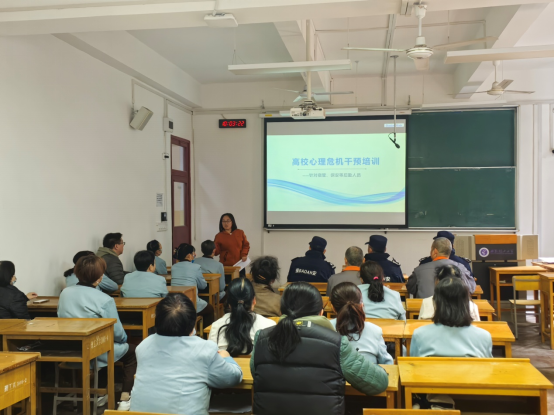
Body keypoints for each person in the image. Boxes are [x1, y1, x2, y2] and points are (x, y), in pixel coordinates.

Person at [250, 282, 389, 415]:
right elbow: (378, 383)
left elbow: (256, 373)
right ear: (321, 312)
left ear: (281, 310)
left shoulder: (261, 338)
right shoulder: (336, 343)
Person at [130, 293, 243, 415]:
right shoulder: (204, 350)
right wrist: (227, 358)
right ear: (193, 323)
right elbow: (232, 378)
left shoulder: (144, 346)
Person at [58, 255, 137, 411]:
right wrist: (123, 339)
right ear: (100, 277)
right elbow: (118, 333)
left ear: (77, 272)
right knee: (131, 352)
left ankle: (101, 394)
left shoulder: (65, 293)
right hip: (95, 352)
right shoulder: (104, 299)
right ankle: (124, 399)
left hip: (72, 350)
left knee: (107, 346)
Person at [410, 277, 493, 358]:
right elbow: (488, 365)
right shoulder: (484, 337)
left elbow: (413, 364)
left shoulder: (419, 335)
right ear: (466, 303)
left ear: (436, 303)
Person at [329, 282, 393, 365]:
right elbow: (387, 363)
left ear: (333, 308)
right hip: (367, 373)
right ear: (361, 305)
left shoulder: (323, 328)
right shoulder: (375, 331)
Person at [209, 278, 276, 356]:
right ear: (254, 301)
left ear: (229, 304)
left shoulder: (216, 327)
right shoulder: (269, 326)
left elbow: (211, 358)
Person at [407, 237, 475, 299]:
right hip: (455, 308)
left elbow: (410, 289)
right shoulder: (461, 268)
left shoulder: (419, 270)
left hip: (427, 307)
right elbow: (471, 288)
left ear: (435, 251)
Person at [172, 243, 215, 327]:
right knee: (210, 309)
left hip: (176, 302)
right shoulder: (196, 267)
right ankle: (206, 332)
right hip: (190, 302)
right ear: (189, 255)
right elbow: (203, 286)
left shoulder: (174, 267)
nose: (194, 255)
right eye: (193, 253)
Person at [194, 240, 226, 304]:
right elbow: (221, 287)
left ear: (202, 250)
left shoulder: (194, 261)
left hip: (196, 294)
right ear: (214, 250)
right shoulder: (219, 265)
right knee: (224, 293)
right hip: (212, 296)